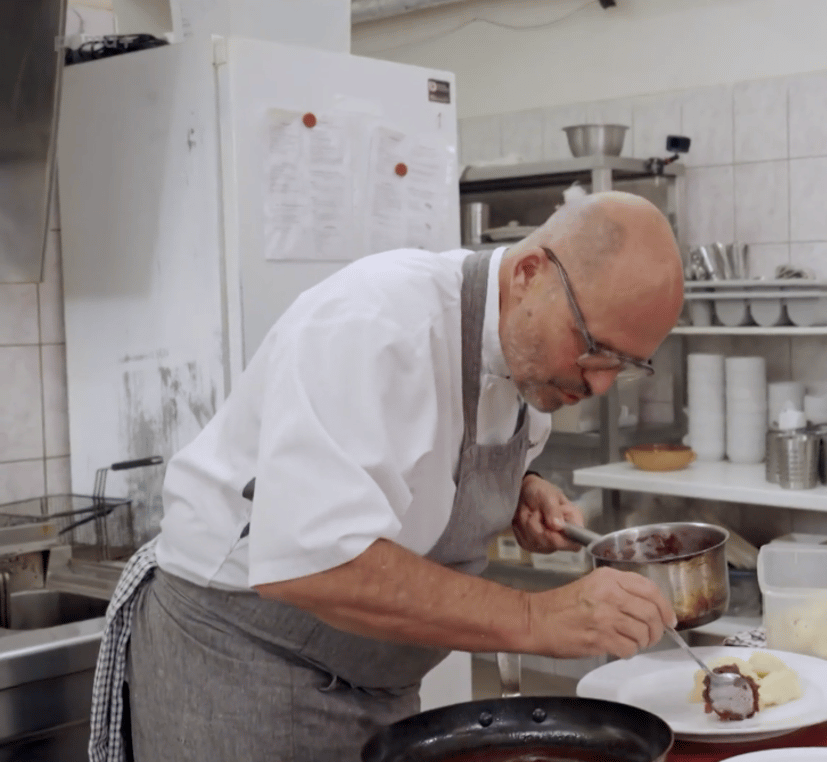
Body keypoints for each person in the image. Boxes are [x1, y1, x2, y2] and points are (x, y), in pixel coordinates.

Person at [88, 191, 686, 761]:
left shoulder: (529, 359)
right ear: (529, 273)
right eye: (594, 349)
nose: (601, 384)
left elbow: (416, 462)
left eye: (626, 366)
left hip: (379, 684)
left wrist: (516, 493)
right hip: (243, 667)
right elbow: (320, 560)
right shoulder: (376, 324)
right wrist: (538, 618)